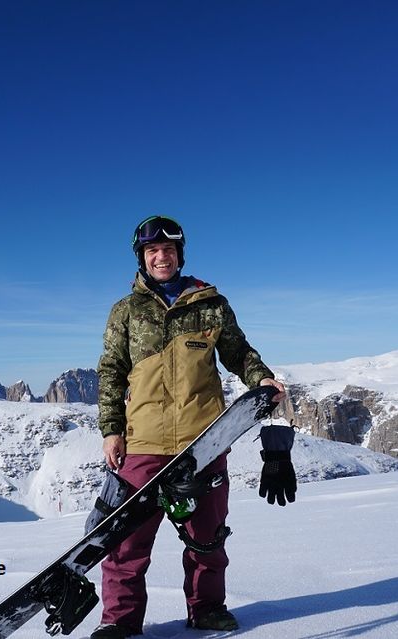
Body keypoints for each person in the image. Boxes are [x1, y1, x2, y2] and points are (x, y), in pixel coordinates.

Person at [92, 215, 290, 639]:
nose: (161, 257)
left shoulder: (211, 304)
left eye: (168, 250)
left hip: (205, 440)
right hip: (144, 441)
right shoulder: (126, 311)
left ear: (180, 255)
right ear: (142, 259)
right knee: (126, 541)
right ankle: (120, 621)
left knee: (207, 537)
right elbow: (111, 372)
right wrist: (111, 430)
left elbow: (239, 353)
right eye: (152, 252)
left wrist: (262, 379)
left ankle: (207, 609)